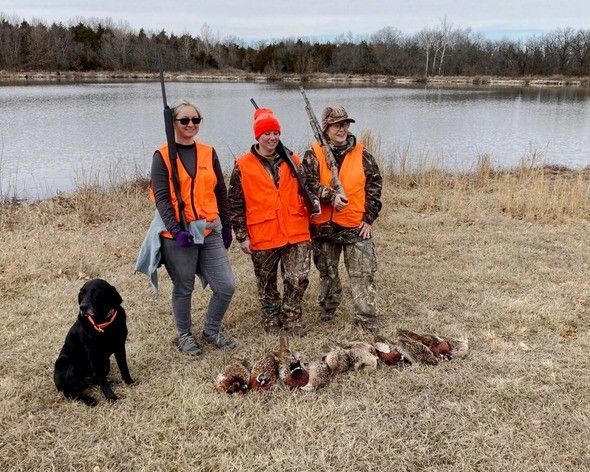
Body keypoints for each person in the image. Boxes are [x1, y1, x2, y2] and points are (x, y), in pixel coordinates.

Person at [150, 99, 236, 356]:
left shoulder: (209, 152)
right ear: (172, 123)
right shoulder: (162, 155)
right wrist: (177, 232)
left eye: (195, 120)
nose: (190, 124)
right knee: (184, 286)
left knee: (226, 285)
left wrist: (227, 225)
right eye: (184, 120)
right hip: (179, 234)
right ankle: (185, 335)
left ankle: (211, 330)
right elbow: (162, 199)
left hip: (209, 229)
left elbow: (220, 190)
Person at [228, 107, 311, 337]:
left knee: (298, 278)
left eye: (276, 132)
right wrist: (242, 235)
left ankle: (292, 317)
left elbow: (308, 189)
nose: (272, 137)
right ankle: (271, 317)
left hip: (296, 230)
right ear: (257, 136)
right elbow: (235, 203)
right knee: (266, 282)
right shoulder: (243, 165)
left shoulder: (293, 159)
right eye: (267, 133)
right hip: (263, 232)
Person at [302, 105, 383, 333]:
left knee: (362, 273)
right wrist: (330, 196)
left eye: (345, 124)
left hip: (355, 225)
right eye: (337, 125)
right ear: (326, 128)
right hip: (325, 227)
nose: (343, 129)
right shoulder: (313, 154)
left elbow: (375, 186)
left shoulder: (362, 153)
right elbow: (307, 184)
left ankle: (366, 318)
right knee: (327, 271)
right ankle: (328, 308)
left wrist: (369, 218)